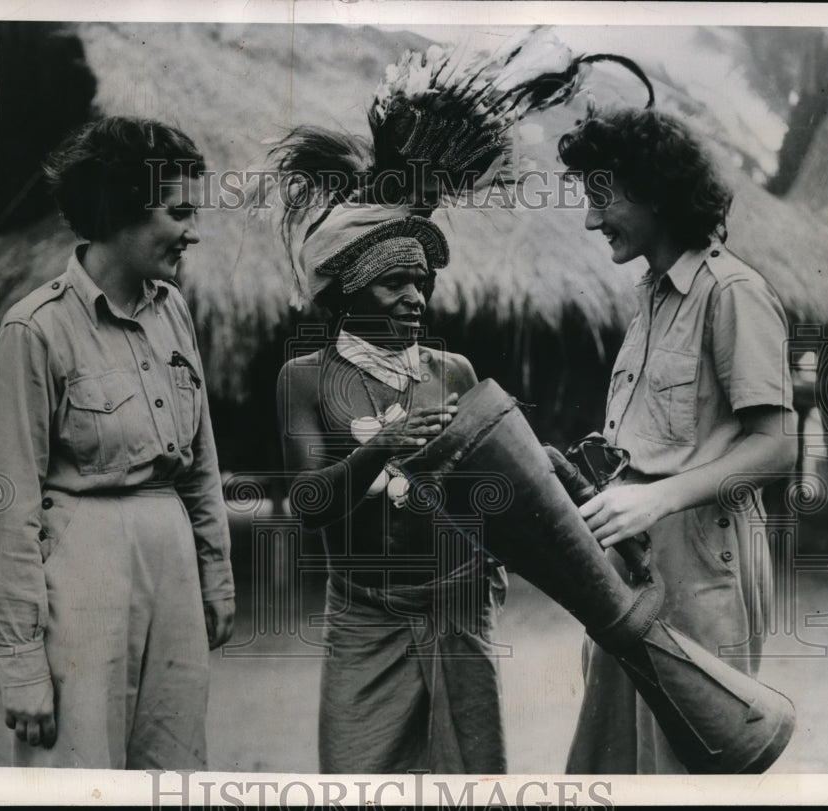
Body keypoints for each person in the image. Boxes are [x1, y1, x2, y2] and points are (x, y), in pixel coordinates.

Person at [0, 116, 234, 769]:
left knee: (172, 763)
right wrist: (21, 667)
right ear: (122, 210)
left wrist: (215, 573)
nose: (191, 230)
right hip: (83, 571)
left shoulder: (174, 309)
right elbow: (7, 509)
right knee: (80, 763)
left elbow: (201, 460)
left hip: (171, 561)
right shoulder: (34, 330)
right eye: (178, 212)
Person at [557, 107, 797, 773]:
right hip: (632, 565)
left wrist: (657, 498)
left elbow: (777, 446)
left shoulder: (733, 292)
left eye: (602, 198)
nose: (590, 219)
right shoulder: (653, 299)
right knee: (618, 757)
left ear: (655, 191)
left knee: (687, 761)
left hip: (701, 559)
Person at [276, 202, 508, 774]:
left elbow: (489, 488)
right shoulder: (305, 378)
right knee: (356, 776)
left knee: (467, 779)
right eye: (394, 282)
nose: (417, 297)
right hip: (363, 613)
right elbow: (309, 506)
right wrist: (383, 444)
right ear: (347, 295)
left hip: (455, 606)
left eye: (422, 282)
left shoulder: (452, 372)